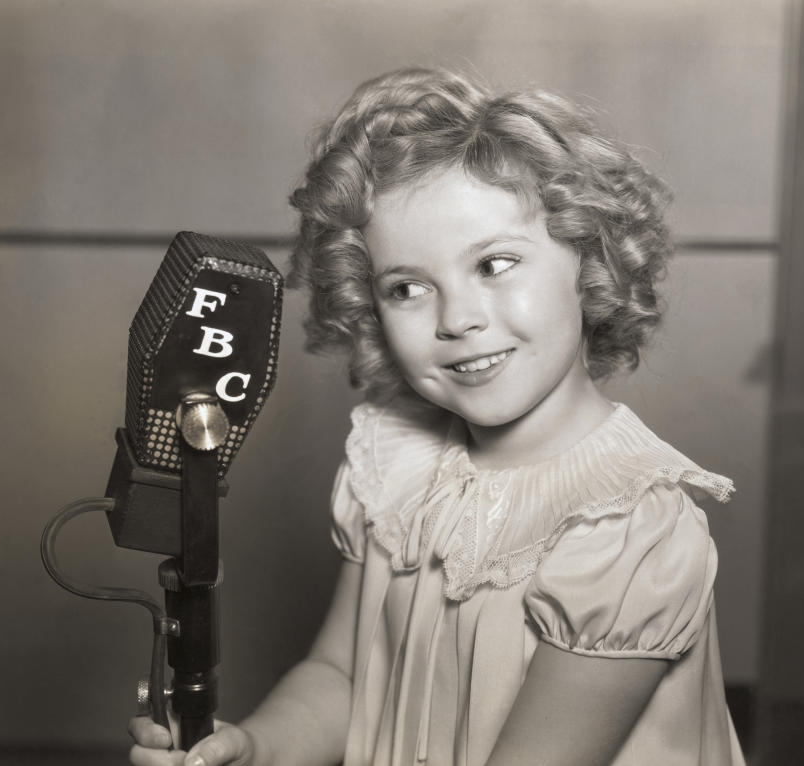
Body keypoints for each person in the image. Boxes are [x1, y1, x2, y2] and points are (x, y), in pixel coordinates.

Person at [129, 67, 746, 766]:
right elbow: (344, 677)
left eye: (495, 264)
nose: (457, 319)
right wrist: (256, 747)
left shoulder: (628, 529)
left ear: (589, 255)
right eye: (408, 287)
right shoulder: (397, 462)